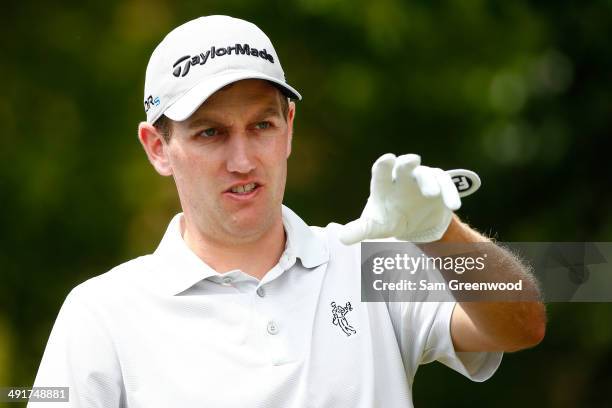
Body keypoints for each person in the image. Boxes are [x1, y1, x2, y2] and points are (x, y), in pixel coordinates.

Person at [30, 15, 546, 407]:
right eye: (211, 132)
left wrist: (442, 233)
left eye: (262, 126)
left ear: (290, 126)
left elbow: (522, 324)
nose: (243, 160)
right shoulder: (101, 314)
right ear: (158, 148)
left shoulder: (370, 263)